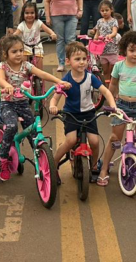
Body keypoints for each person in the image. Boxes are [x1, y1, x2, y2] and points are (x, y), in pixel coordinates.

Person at [97, 31, 136, 189]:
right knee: (114, 139)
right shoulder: (119, 66)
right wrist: (110, 102)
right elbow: (112, 85)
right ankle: (104, 169)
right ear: (124, 50)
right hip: (122, 106)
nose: (135, 54)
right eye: (132, 51)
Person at [51, 41, 117, 180]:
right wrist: (53, 106)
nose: (82, 62)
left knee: (94, 142)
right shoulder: (66, 80)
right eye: (77, 59)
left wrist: (113, 106)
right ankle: (53, 164)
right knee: (70, 140)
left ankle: (94, 166)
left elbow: (105, 91)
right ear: (68, 61)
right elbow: (55, 97)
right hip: (71, 114)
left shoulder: (90, 77)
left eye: (84, 59)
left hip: (88, 113)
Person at [0, 35, 68, 158]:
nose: (19, 54)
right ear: (5, 54)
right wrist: (7, 86)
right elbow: (1, 79)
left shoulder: (26, 65)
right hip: (8, 104)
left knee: (33, 131)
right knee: (11, 127)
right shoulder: (3, 66)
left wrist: (59, 82)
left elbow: (42, 73)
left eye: (21, 51)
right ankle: (3, 157)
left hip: (23, 103)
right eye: (14, 51)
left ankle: (40, 157)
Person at [43, 0, 83, 72]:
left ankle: (72, 61)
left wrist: (80, 10)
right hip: (56, 16)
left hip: (72, 16)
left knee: (70, 40)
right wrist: (47, 17)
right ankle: (61, 63)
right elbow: (46, 1)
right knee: (60, 40)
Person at [16, 2, 57, 71]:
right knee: (23, 63)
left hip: (37, 46)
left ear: (36, 14)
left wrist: (52, 34)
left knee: (40, 66)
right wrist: (10, 39)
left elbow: (47, 29)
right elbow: (16, 33)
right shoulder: (22, 25)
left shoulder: (38, 22)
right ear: (23, 14)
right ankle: (24, 77)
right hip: (26, 47)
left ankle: (40, 80)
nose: (29, 15)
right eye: (27, 13)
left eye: (32, 13)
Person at [92, 0, 120, 82]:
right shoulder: (99, 21)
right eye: (102, 10)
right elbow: (97, 33)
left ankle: (113, 87)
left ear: (111, 10)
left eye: (106, 10)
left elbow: (115, 32)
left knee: (113, 72)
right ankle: (106, 87)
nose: (104, 12)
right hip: (103, 51)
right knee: (105, 71)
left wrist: (109, 36)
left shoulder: (114, 21)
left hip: (112, 50)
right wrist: (95, 40)